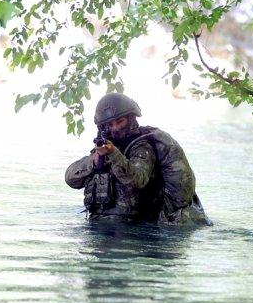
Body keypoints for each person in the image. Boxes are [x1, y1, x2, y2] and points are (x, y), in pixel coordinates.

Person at [65, 93, 210, 226]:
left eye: (119, 121)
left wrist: (114, 154)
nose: (115, 128)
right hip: (102, 226)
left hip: (136, 228)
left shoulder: (142, 146)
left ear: (130, 119)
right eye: (110, 124)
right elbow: (70, 179)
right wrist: (94, 161)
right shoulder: (103, 148)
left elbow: (137, 179)